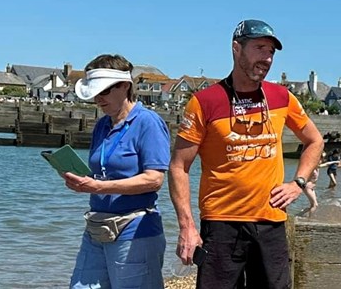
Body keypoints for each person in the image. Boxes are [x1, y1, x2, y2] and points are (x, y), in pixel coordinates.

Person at [168, 19, 324, 289]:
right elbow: (179, 167)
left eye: (271, 52)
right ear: (236, 48)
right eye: (259, 48)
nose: (267, 58)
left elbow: (315, 140)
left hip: (270, 221)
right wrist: (187, 226)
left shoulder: (282, 97)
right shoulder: (205, 102)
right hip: (221, 224)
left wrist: (298, 182)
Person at [65, 54, 171, 289]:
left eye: (104, 91)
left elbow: (154, 180)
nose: (98, 98)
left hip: (136, 229)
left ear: (125, 86)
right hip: (97, 226)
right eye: (95, 93)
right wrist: (81, 180)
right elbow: (103, 172)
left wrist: (99, 187)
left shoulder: (148, 122)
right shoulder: (102, 125)